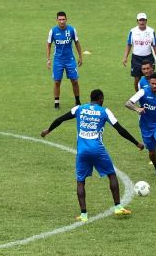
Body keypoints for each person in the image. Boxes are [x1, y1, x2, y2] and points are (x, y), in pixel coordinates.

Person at [42, 89, 143, 221]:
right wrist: (136, 143)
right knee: (111, 174)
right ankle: (118, 207)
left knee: (80, 181)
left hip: (82, 150)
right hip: (97, 149)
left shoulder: (79, 108)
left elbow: (60, 119)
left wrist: (48, 130)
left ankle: (83, 214)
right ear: (101, 99)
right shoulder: (104, 111)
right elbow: (120, 129)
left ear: (90, 99)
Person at [126, 73, 156, 182]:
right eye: (152, 84)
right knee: (152, 152)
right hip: (145, 126)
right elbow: (128, 103)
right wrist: (137, 109)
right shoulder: (143, 92)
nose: (155, 86)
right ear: (149, 83)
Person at [47, 11, 83, 109]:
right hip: (58, 60)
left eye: (63, 19)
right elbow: (49, 44)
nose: (62, 22)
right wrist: (48, 59)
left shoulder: (71, 30)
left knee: (75, 81)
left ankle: (77, 101)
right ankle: (56, 103)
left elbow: (77, 43)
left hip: (70, 60)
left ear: (66, 19)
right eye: (60, 20)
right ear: (57, 20)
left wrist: (80, 56)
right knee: (57, 81)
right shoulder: (53, 31)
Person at [122, 12, 156, 91]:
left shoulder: (151, 31)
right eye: (140, 20)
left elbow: (155, 45)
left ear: (146, 21)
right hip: (136, 58)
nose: (142, 22)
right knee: (137, 78)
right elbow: (129, 44)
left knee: (151, 77)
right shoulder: (133, 31)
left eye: (143, 20)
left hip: (148, 57)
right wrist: (125, 57)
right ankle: (138, 95)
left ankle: (152, 94)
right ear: (137, 21)